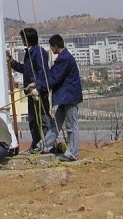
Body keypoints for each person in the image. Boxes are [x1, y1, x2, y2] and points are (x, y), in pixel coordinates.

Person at [7, 27, 51, 152]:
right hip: (31, 93)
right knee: (33, 121)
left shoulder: (39, 52)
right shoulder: (29, 53)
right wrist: (13, 63)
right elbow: (26, 70)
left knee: (43, 120)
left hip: (38, 93)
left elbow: (43, 73)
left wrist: (38, 87)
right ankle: (37, 144)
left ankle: (48, 145)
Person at [42, 34, 83, 162]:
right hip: (65, 97)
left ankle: (73, 153)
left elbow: (54, 77)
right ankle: (45, 146)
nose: (51, 49)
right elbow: (53, 75)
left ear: (55, 46)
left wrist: (39, 87)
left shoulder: (64, 59)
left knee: (71, 126)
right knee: (57, 123)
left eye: (51, 46)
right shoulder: (64, 57)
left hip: (68, 97)